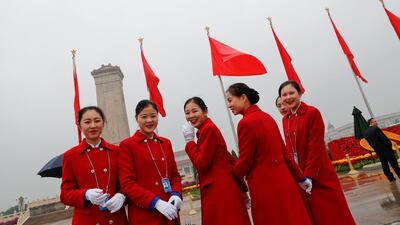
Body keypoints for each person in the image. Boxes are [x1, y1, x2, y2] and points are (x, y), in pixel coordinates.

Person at [225, 83, 312, 225]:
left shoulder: (245, 123)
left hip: (265, 188)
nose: (229, 105)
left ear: (243, 97)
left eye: (230, 100)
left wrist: (230, 176)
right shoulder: (267, 117)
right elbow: (285, 153)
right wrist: (300, 178)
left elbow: (245, 161)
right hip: (285, 182)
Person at [279, 80, 356, 225]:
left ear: (299, 93)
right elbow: (289, 148)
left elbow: (315, 146)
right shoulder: (286, 119)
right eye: (284, 95)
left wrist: (309, 175)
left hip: (319, 173)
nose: (288, 97)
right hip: (302, 176)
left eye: (291, 93)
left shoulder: (312, 112)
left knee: (332, 213)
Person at [181, 97, 251, 225]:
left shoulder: (208, 129)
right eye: (187, 113)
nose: (191, 116)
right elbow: (229, 159)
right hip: (222, 187)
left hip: (219, 190)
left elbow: (201, 163)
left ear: (205, 111)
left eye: (194, 111)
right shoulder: (204, 130)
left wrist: (189, 142)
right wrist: (242, 188)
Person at [60, 106, 128, 225]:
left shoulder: (116, 151)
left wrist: (122, 196)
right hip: (87, 220)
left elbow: (128, 183)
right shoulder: (71, 156)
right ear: (80, 126)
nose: (93, 126)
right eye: (87, 122)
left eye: (97, 121)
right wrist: (85, 194)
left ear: (103, 123)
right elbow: (65, 195)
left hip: (115, 218)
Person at [119, 100, 182, 225]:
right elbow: (127, 183)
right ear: (136, 118)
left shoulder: (165, 143)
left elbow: (174, 175)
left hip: (170, 211)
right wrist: (155, 202)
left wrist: (176, 193)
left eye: (153, 116)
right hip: (144, 214)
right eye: (144, 117)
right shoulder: (128, 145)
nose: (149, 120)